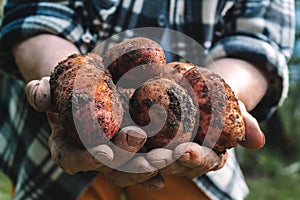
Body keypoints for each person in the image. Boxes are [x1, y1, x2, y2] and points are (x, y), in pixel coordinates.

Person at [0, 0, 295, 199]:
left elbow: (258, 42)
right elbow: (37, 13)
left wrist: (224, 100)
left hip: (193, 152)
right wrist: (66, 92)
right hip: (49, 141)